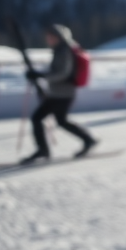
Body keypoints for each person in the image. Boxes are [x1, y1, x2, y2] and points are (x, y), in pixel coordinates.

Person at [21, 24, 97, 163]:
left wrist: (41, 75)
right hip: (59, 93)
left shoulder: (64, 51)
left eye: (51, 36)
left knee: (40, 118)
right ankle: (87, 140)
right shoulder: (60, 50)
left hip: (63, 94)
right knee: (58, 121)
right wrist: (41, 76)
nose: (48, 39)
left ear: (58, 37)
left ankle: (44, 149)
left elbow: (62, 73)